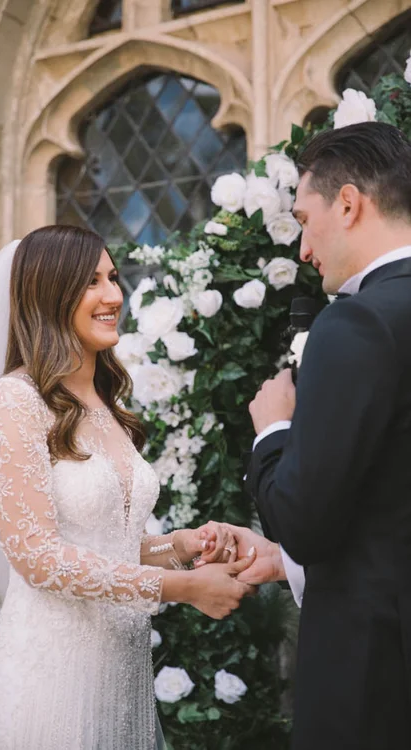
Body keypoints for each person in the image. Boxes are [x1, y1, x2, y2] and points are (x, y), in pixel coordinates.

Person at [0, 225, 256, 750]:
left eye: (113, 277)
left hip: (120, 673)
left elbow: (103, 545)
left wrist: (179, 547)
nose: (113, 295)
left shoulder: (106, 405)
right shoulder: (13, 400)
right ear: (51, 294)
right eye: (91, 282)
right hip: (50, 677)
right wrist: (182, 588)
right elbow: (38, 557)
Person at [243, 121, 411, 750]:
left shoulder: (357, 323)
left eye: (304, 219)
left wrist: (273, 430)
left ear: (347, 204)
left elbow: (305, 523)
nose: (303, 248)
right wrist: (282, 564)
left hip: (375, 677)